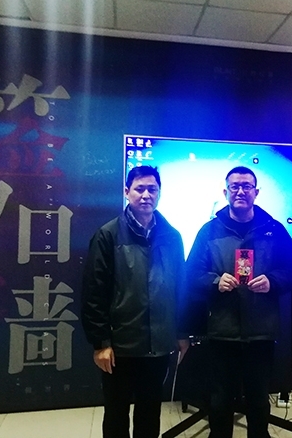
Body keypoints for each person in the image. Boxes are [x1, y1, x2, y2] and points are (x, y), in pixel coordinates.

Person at [185, 166, 292, 438]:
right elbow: (191, 274)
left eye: (247, 186)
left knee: (258, 400)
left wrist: (272, 281)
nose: (240, 191)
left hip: (261, 331)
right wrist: (215, 281)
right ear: (225, 192)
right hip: (222, 332)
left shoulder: (274, 230)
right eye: (234, 186)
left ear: (256, 192)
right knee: (220, 401)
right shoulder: (209, 231)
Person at [81, 165, 188, 438]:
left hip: (158, 345)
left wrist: (181, 333)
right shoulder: (108, 235)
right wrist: (101, 343)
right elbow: (94, 292)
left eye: (152, 189)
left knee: (150, 414)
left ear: (159, 193)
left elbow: (181, 289)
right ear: (126, 192)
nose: (146, 195)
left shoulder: (172, 236)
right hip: (121, 346)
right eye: (140, 189)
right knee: (116, 414)